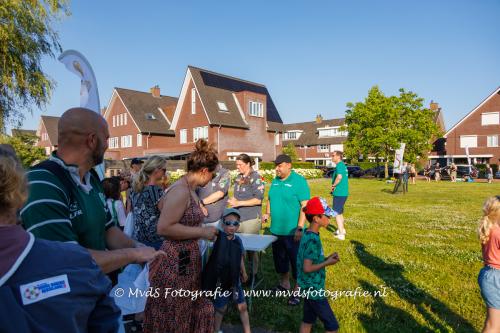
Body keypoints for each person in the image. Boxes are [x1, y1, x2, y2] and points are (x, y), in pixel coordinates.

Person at [21, 107, 160, 274]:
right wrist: (133, 254)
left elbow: (108, 229)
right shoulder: (42, 182)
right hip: (66, 297)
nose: (108, 145)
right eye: (107, 138)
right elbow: (67, 260)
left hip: (95, 289)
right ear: (92, 140)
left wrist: (139, 247)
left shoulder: (91, 177)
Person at [0, 144, 121, 332]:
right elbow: (106, 321)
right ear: (20, 192)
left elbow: (109, 229)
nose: (107, 143)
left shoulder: (74, 263)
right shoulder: (75, 264)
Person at [144, 139, 218, 333]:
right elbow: (164, 228)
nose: (212, 178)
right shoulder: (181, 190)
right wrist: (202, 232)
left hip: (185, 260)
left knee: (184, 309)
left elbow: (162, 206)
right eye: (212, 173)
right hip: (175, 262)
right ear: (203, 171)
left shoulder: (188, 188)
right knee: (175, 312)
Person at [263, 154, 310, 306]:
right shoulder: (275, 181)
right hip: (276, 230)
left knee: (296, 261)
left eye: (280, 165)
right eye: (276, 165)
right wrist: (267, 213)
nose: (277, 168)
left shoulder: (299, 181)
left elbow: (305, 206)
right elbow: (270, 198)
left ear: (289, 165)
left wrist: (300, 227)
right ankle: (284, 284)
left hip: (292, 231)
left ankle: (297, 290)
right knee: (280, 260)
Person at [298, 197, 340, 333]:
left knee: (308, 320)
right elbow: (307, 267)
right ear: (316, 218)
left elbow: (310, 260)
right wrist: (328, 262)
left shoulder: (308, 234)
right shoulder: (312, 240)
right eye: (327, 216)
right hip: (314, 288)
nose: (329, 218)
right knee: (332, 326)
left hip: (307, 286)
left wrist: (326, 258)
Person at [212, 208, 251, 333]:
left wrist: (243, 271)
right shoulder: (218, 239)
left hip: (235, 280)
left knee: (243, 306)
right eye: (228, 223)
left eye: (235, 223)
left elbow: (239, 257)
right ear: (222, 224)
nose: (232, 226)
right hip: (221, 282)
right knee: (221, 308)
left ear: (239, 225)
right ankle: (215, 330)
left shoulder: (238, 240)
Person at [228, 153, 265, 284]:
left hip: (251, 218)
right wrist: (233, 201)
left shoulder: (256, 178)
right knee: (239, 247)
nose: (238, 167)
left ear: (248, 164)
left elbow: (258, 199)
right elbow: (237, 195)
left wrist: (239, 203)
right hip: (239, 218)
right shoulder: (238, 177)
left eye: (240, 165)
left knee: (251, 249)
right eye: (237, 165)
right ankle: (242, 275)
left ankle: (254, 275)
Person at [130, 155, 167, 250]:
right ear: (156, 170)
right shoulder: (156, 190)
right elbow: (166, 214)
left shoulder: (135, 188)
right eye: (164, 170)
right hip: (155, 241)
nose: (165, 173)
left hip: (138, 239)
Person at [478, 196, 500, 333]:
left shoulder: (488, 229)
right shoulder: (498, 233)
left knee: (493, 321)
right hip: (496, 277)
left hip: (488, 274)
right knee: (494, 325)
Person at [197, 164, 231, 229]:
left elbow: (220, 193)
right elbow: (193, 191)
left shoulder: (224, 172)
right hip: (199, 219)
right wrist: (200, 205)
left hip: (216, 220)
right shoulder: (201, 171)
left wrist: (201, 202)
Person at [331, 151, 348, 240]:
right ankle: (341, 229)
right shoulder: (342, 165)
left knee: (336, 213)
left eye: (333, 156)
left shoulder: (339, 165)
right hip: (343, 193)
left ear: (338, 157)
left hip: (340, 193)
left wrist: (333, 185)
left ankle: (341, 234)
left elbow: (339, 177)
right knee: (340, 212)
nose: (332, 157)